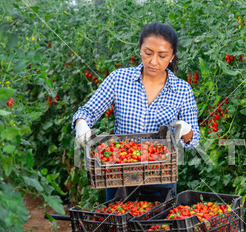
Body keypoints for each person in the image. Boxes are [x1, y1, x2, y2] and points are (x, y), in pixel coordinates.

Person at [72, 22, 200, 200]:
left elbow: (193, 142)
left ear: (172, 56)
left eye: (162, 56)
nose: (153, 61)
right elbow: (87, 111)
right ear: (140, 49)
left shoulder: (182, 90)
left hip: (160, 176)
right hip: (119, 174)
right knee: (119, 223)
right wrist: (81, 124)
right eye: (148, 53)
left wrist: (186, 130)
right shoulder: (119, 79)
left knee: (157, 225)